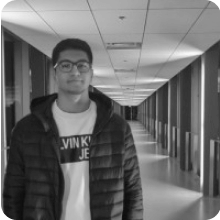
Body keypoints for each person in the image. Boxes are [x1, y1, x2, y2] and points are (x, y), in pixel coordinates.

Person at [3, 38, 143, 220]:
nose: (75, 71)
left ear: (91, 73)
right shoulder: (26, 130)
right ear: (55, 73)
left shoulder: (117, 129)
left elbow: (133, 190)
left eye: (82, 65)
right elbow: (13, 194)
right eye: (65, 65)